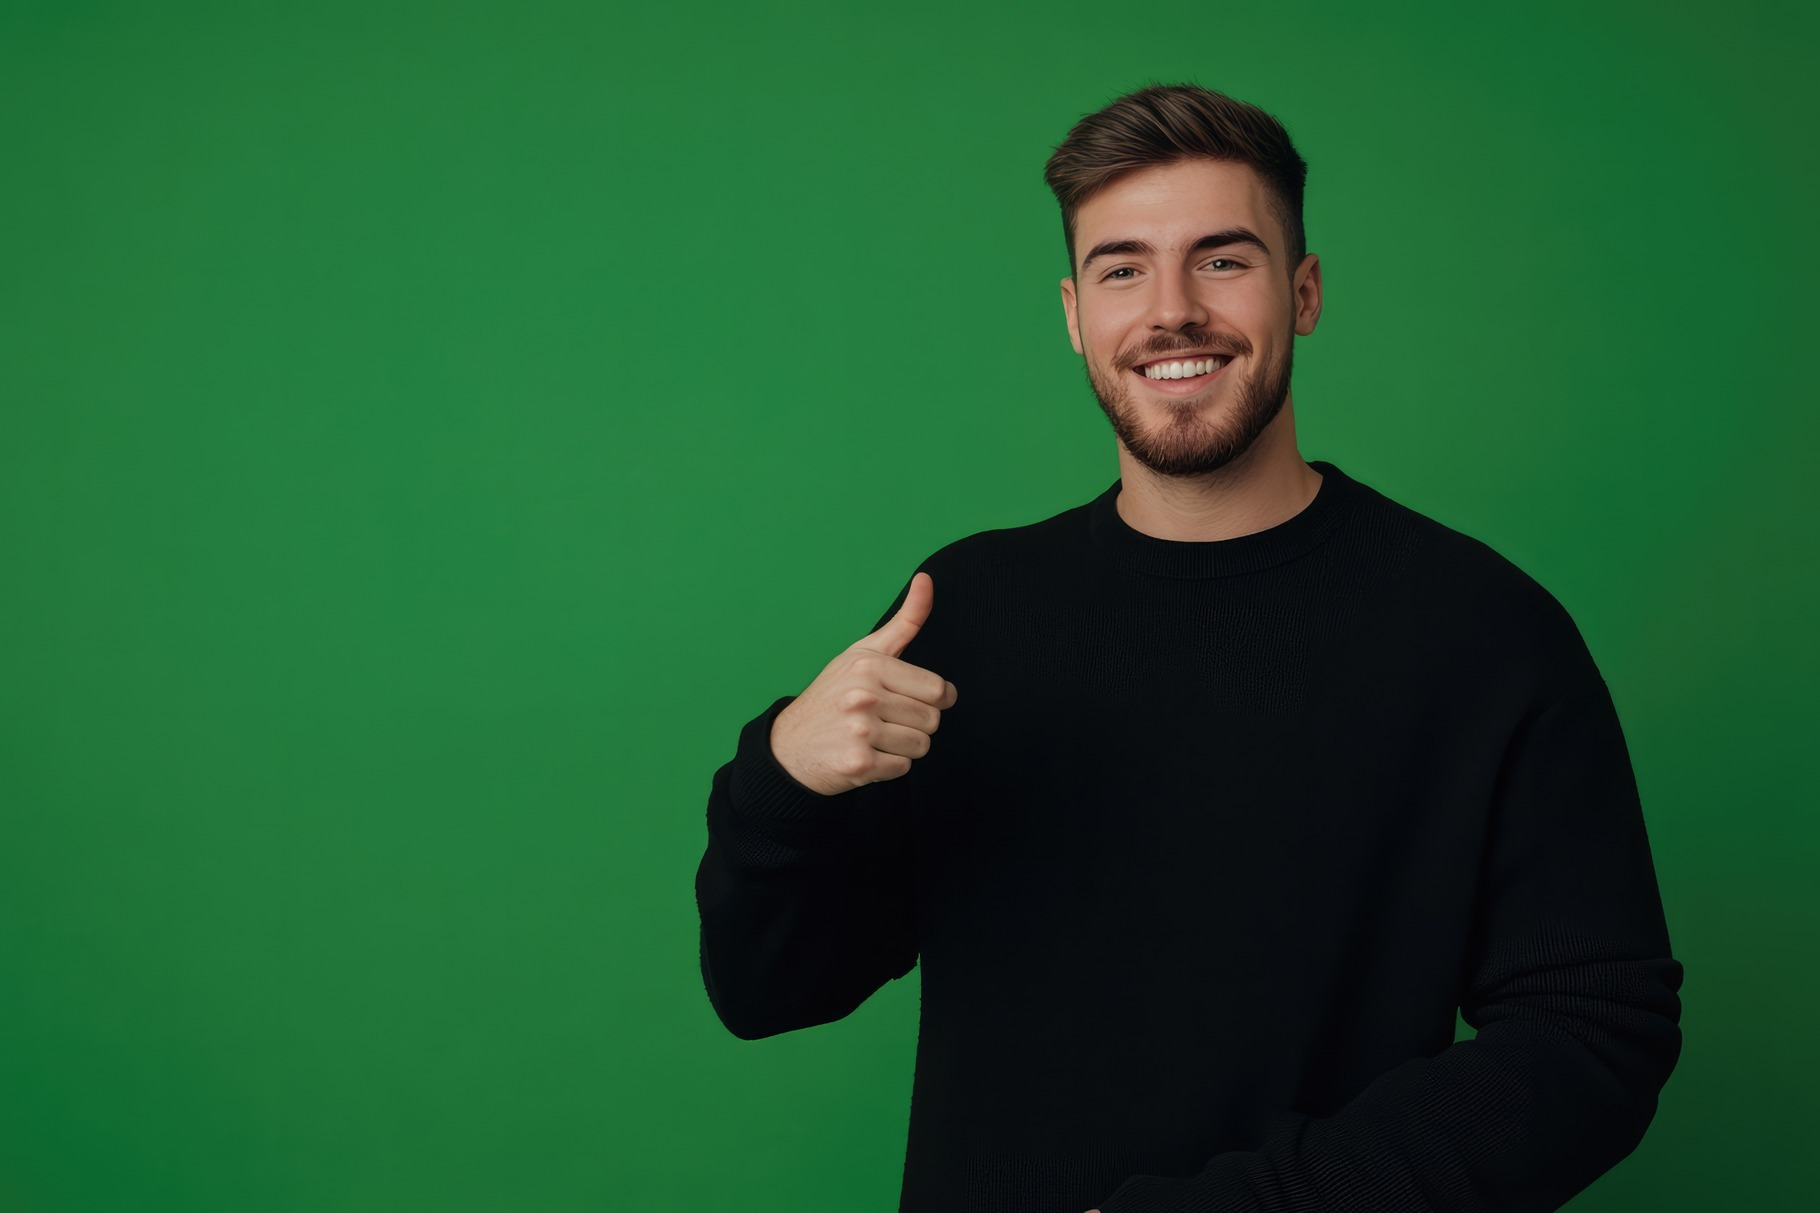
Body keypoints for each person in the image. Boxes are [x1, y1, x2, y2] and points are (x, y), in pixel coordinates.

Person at [694, 82, 1683, 1213]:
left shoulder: (1484, 631)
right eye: (1122, 269)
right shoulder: (964, 610)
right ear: (1074, 314)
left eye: (1220, 259)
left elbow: (1591, 1035)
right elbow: (768, 990)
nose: (1171, 311)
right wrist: (782, 780)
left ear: (1302, 292)